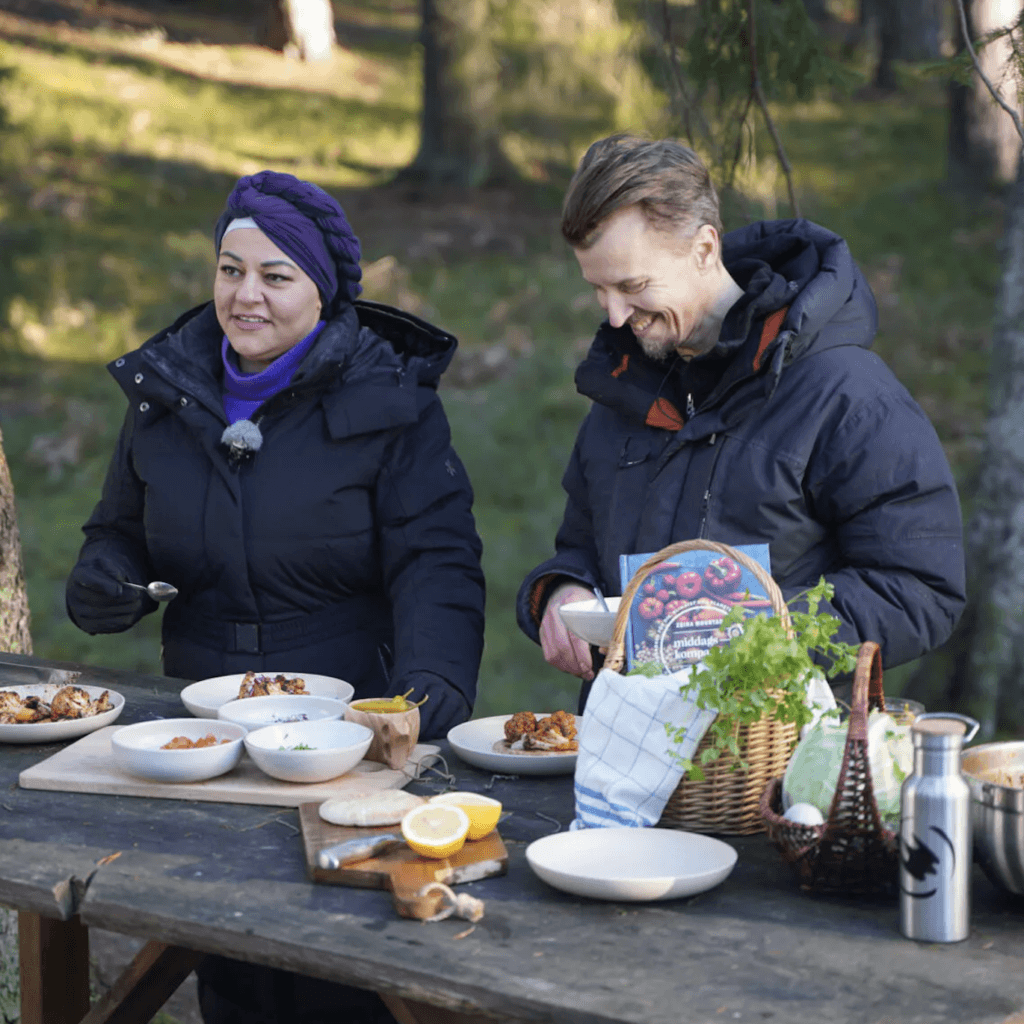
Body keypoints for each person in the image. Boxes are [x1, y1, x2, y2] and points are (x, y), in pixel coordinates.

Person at [65, 171, 485, 1024]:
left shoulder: (389, 400)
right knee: (228, 954)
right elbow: (117, 529)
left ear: (321, 291)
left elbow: (436, 560)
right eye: (229, 269)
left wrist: (430, 685)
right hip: (204, 733)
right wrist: (104, 578)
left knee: (342, 967)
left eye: (275, 275)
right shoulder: (164, 392)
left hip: (341, 735)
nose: (244, 295)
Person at [517, 135, 966, 705]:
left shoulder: (847, 394)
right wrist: (560, 591)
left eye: (632, 286)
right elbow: (581, 547)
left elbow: (921, 587)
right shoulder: (623, 389)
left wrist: (754, 636)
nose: (614, 315)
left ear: (705, 248)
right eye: (598, 289)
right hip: (622, 761)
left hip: (775, 763)